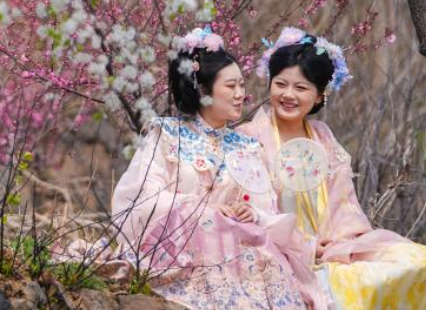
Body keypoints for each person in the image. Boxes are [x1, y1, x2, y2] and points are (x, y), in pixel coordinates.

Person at [239, 27, 426, 309]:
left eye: (301, 88)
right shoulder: (249, 139)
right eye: (280, 84)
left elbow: (344, 207)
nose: (288, 95)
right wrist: (304, 245)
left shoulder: (322, 138)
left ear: (320, 95)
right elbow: (250, 209)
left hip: (334, 248)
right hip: (280, 255)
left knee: (422, 262)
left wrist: (334, 245)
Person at [111, 26, 327, 309]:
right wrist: (201, 209)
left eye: (241, 84)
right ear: (203, 90)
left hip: (234, 249)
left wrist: (251, 213)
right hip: (179, 245)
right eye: (231, 86)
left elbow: (268, 208)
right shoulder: (166, 135)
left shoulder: (246, 147)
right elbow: (141, 196)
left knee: (256, 240)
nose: (241, 94)